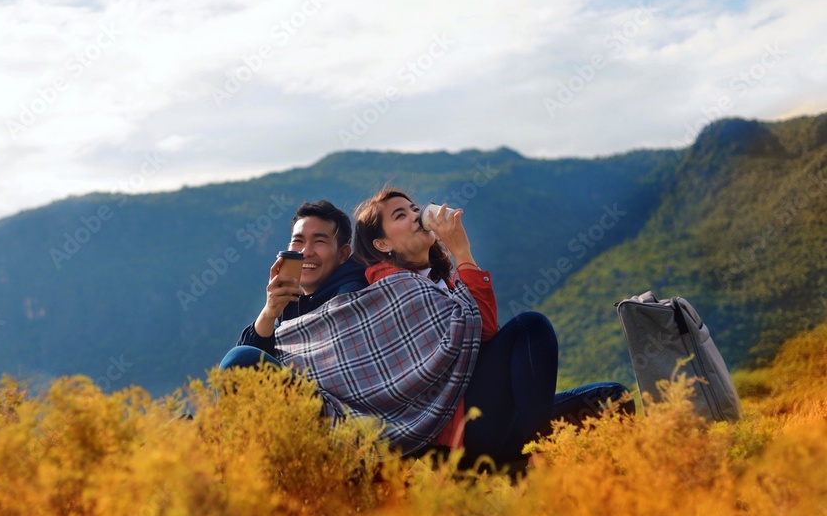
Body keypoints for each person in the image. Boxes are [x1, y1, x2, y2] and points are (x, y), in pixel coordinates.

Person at [271, 188, 632, 468]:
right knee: (529, 328)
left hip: (490, 411)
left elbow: (485, 332)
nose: (416, 217)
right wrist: (462, 251)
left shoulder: (441, 281)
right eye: (401, 215)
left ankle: (539, 455)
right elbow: (480, 331)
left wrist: (459, 257)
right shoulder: (388, 283)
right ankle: (534, 454)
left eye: (415, 210)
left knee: (613, 398)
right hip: (451, 428)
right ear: (382, 243)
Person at [220, 200, 368, 370]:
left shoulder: (351, 296)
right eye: (298, 241)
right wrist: (269, 312)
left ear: (343, 254)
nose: (305, 252)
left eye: (319, 241)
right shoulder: (292, 303)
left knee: (238, 359)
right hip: (298, 390)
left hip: (327, 395)